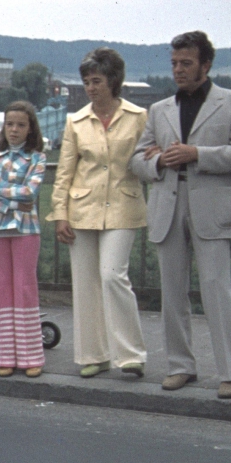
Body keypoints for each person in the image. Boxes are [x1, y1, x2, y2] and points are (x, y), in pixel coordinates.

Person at [130, 31, 231, 399]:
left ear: (206, 65)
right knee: (173, 292)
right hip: (168, 205)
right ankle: (180, 367)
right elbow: (136, 160)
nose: (178, 70)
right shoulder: (159, 109)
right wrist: (160, 159)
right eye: (174, 63)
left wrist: (196, 154)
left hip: (213, 209)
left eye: (186, 63)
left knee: (216, 289)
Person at [47, 47, 148, 379]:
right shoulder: (75, 121)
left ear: (113, 81)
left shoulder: (139, 117)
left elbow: (147, 157)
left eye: (97, 81)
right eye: (87, 82)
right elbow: (64, 172)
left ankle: (131, 354)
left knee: (112, 275)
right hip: (82, 209)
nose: (91, 88)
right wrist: (60, 214)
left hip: (123, 205)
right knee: (86, 283)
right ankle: (94, 354)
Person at [0, 101, 47, 377]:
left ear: (30, 129)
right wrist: (12, 203)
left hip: (26, 231)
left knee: (25, 288)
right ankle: (6, 356)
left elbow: (31, 191)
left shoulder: (37, 158)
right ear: (3, 127)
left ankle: (31, 357)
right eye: (10, 124)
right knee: (2, 288)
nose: (14, 130)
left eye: (20, 125)